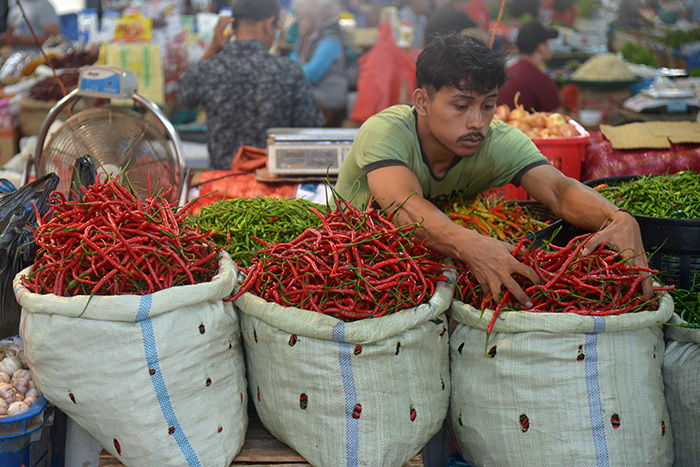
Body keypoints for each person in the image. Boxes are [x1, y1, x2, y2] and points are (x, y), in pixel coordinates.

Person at [334, 33, 651, 308]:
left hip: (432, 267)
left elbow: (558, 190)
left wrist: (616, 217)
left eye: (487, 106)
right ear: (422, 102)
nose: (477, 122)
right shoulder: (386, 131)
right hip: (354, 267)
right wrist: (470, 244)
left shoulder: (498, 141)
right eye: (461, 106)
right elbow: (403, 208)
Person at [177, 0, 324, 170]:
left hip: (222, 187)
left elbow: (183, 94)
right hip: (274, 189)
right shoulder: (288, 71)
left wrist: (211, 49)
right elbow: (310, 130)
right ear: (268, 24)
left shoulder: (209, 69)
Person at [289, 0, 348, 126]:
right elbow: (292, 61)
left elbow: (313, 73)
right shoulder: (306, 36)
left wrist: (292, 72)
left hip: (328, 92)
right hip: (310, 89)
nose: (300, 21)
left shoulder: (331, 38)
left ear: (314, 17)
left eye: (304, 16)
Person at [497, 20, 563, 113]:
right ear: (541, 47)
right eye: (548, 42)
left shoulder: (507, 71)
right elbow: (559, 119)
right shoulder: (541, 80)